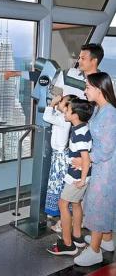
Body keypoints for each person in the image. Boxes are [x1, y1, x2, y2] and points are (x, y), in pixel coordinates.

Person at [72, 72, 116, 266]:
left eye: (87, 87)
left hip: (106, 168)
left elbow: (106, 150)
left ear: (99, 89)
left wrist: (85, 162)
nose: (85, 90)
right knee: (101, 204)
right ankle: (106, 240)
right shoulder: (100, 109)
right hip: (100, 166)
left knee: (98, 205)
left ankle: (95, 251)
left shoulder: (111, 114)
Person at [47, 98, 94, 255]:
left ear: (75, 114)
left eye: (67, 110)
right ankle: (77, 236)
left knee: (63, 204)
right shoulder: (81, 128)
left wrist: (81, 179)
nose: (64, 112)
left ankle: (68, 244)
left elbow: (85, 159)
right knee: (76, 203)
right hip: (77, 175)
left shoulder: (79, 133)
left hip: (76, 177)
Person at [4, 43, 104, 99]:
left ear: (94, 61)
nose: (79, 61)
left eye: (83, 58)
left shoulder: (102, 83)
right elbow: (46, 77)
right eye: (79, 58)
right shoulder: (71, 73)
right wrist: (16, 73)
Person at [43, 94, 76, 232]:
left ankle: (63, 220)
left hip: (60, 158)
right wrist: (56, 104)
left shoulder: (64, 120)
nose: (59, 102)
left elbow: (47, 117)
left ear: (68, 107)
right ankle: (58, 214)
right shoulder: (63, 118)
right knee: (57, 185)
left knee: (57, 186)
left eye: (62, 101)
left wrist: (52, 104)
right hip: (59, 156)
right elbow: (54, 115)